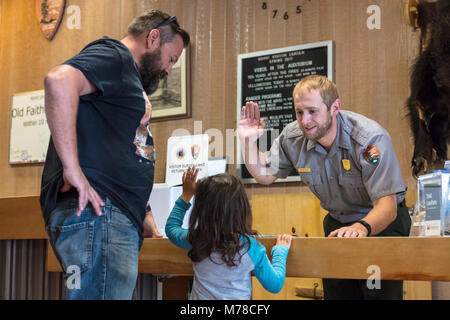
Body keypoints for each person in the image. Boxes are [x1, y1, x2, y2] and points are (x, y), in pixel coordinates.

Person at [40, 10, 190, 299]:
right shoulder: (116, 56)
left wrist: (142, 211)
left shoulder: (124, 75)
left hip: (109, 216)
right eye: (171, 59)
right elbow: (58, 81)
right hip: (100, 214)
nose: (170, 70)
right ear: (153, 37)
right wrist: (72, 170)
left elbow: (119, 148)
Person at [238, 74, 411, 300]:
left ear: (334, 107)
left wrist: (360, 229)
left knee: (376, 292)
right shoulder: (293, 137)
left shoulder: (369, 139)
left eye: (312, 111)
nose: (305, 120)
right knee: (338, 294)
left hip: (382, 225)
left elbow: (387, 207)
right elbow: (264, 175)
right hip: (338, 226)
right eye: (299, 112)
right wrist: (247, 141)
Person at [165, 167, 292, 300]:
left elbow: (171, 228)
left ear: (201, 209)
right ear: (241, 209)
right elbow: (275, 284)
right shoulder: (251, 247)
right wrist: (280, 251)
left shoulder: (196, 240)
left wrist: (186, 195)